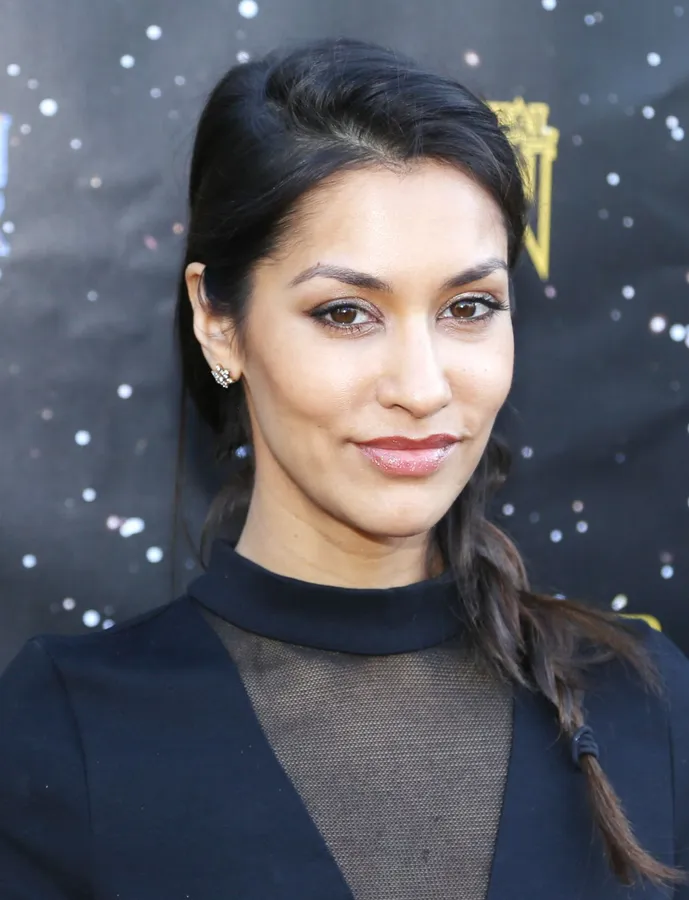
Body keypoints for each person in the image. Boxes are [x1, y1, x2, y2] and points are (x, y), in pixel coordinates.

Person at [0, 36, 688, 900]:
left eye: (468, 307)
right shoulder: (66, 730)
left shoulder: (643, 699)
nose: (421, 387)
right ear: (219, 324)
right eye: (345, 313)